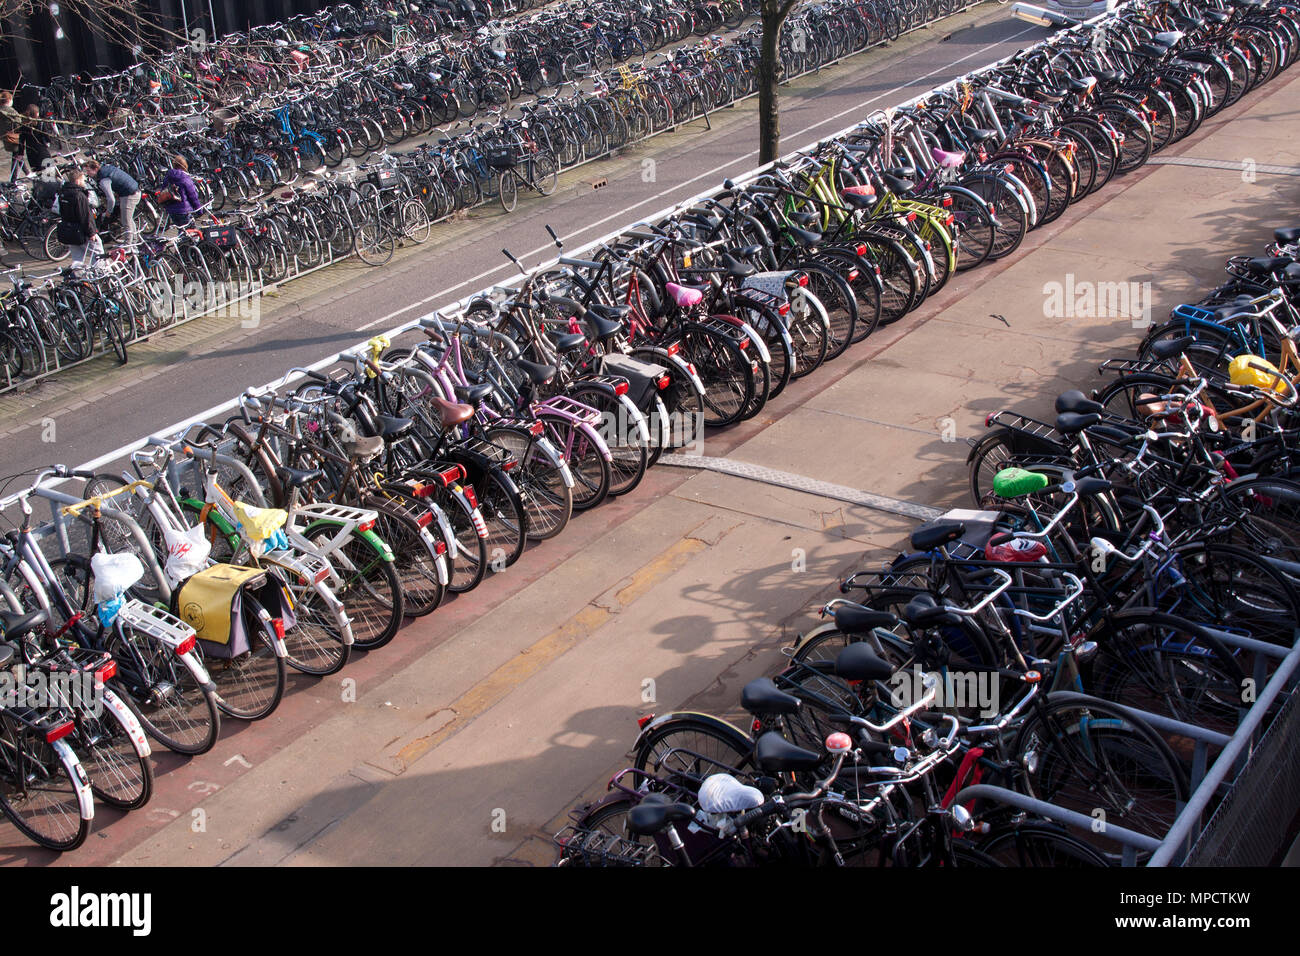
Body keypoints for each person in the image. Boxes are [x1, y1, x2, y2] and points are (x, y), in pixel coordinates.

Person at [84, 158, 141, 246]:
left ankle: (128, 246)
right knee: (129, 219)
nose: (87, 173)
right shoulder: (106, 168)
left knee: (125, 221)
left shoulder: (103, 179)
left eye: (88, 171)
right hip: (135, 190)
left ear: (95, 169)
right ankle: (134, 241)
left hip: (129, 195)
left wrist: (108, 212)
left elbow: (111, 199)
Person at [57, 168, 100, 270]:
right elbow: (85, 216)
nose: (84, 182)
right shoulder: (79, 195)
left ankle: (78, 277)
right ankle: (99, 273)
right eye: (82, 180)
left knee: (77, 258)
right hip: (81, 230)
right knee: (98, 252)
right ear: (77, 181)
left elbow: (62, 212)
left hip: (70, 230)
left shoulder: (63, 193)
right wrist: (91, 233)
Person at [159, 154, 201, 228]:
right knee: (190, 232)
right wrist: (199, 210)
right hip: (184, 211)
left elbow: (163, 190)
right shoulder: (185, 178)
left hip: (171, 211)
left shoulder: (168, 176)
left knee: (181, 230)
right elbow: (193, 196)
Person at [19, 104, 51, 177]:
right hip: (42, 152)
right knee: (49, 176)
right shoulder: (41, 123)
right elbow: (47, 136)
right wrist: (48, 142)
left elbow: (21, 141)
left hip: (31, 153)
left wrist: (20, 153)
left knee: (38, 175)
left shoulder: (24, 125)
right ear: (37, 113)